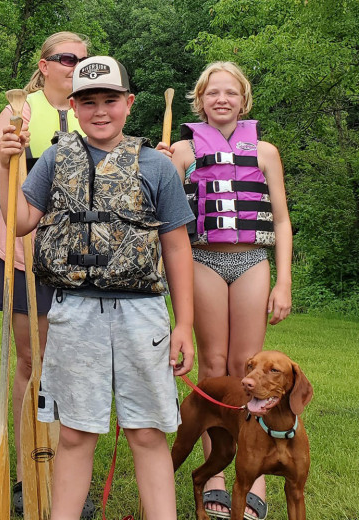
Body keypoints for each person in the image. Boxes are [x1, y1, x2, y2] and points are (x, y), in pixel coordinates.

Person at [0, 56, 195, 520]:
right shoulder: (54, 158)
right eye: (89, 102)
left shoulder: (156, 166)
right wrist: (8, 162)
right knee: (75, 432)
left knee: (146, 431)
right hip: (74, 311)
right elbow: (22, 220)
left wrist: (183, 323)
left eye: (110, 100)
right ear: (74, 104)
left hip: (142, 313)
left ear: (129, 103)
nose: (100, 111)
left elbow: (178, 248)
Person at [0, 31, 97, 516]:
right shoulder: (17, 111)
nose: (77, 66)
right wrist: (2, 153)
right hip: (24, 258)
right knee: (33, 363)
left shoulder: (97, 114)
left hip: (83, 261)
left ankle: (66, 476)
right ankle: (28, 472)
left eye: (86, 60)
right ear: (44, 66)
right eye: (68, 59)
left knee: (73, 367)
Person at [164, 61, 292, 520]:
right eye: (213, 92)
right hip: (204, 259)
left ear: (244, 99)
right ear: (200, 100)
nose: (222, 99)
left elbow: (279, 220)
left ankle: (252, 470)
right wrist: (160, 164)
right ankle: (215, 471)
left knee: (249, 367)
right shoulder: (180, 151)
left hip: (251, 259)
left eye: (231, 93)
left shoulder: (266, 152)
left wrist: (284, 280)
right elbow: (162, 211)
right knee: (215, 366)